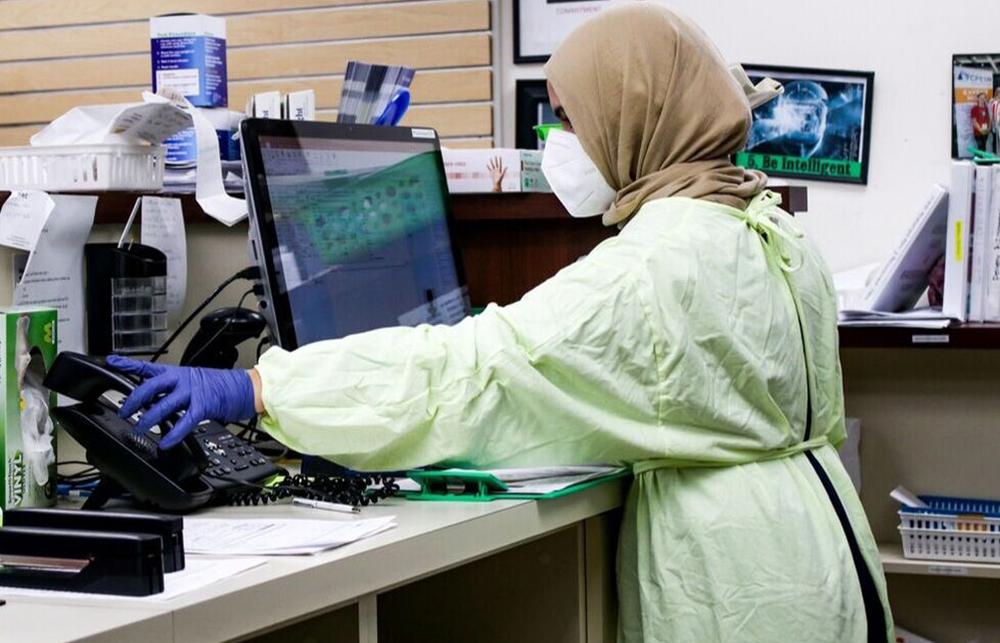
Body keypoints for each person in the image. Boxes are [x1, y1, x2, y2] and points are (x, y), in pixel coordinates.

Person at [110, 5, 893, 642]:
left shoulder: (659, 262)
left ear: (636, 116)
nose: (559, 143)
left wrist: (256, 387)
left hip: (738, 584)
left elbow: (473, 375)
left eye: (570, 119)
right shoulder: (764, 221)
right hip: (819, 553)